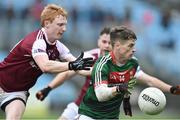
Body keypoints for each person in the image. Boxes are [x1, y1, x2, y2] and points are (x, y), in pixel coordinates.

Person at [0, 4, 93, 120]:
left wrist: (104, 73)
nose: (64, 29)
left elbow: (80, 67)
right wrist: (71, 65)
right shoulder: (37, 41)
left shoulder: (59, 47)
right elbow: (45, 66)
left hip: (17, 93)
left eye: (65, 25)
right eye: (60, 25)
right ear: (47, 23)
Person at [77, 26, 180, 119]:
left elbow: (149, 81)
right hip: (90, 115)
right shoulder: (103, 64)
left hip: (111, 117)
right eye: (130, 46)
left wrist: (171, 89)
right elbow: (101, 94)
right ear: (117, 46)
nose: (134, 49)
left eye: (134, 45)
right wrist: (119, 88)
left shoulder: (133, 63)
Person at [36, 27, 112, 120]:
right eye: (104, 42)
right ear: (98, 42)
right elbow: (67, 73)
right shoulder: (89, 56)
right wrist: (48, 88)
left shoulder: (119, 63)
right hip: (79, 105)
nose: (107, 46)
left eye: (110, 43)